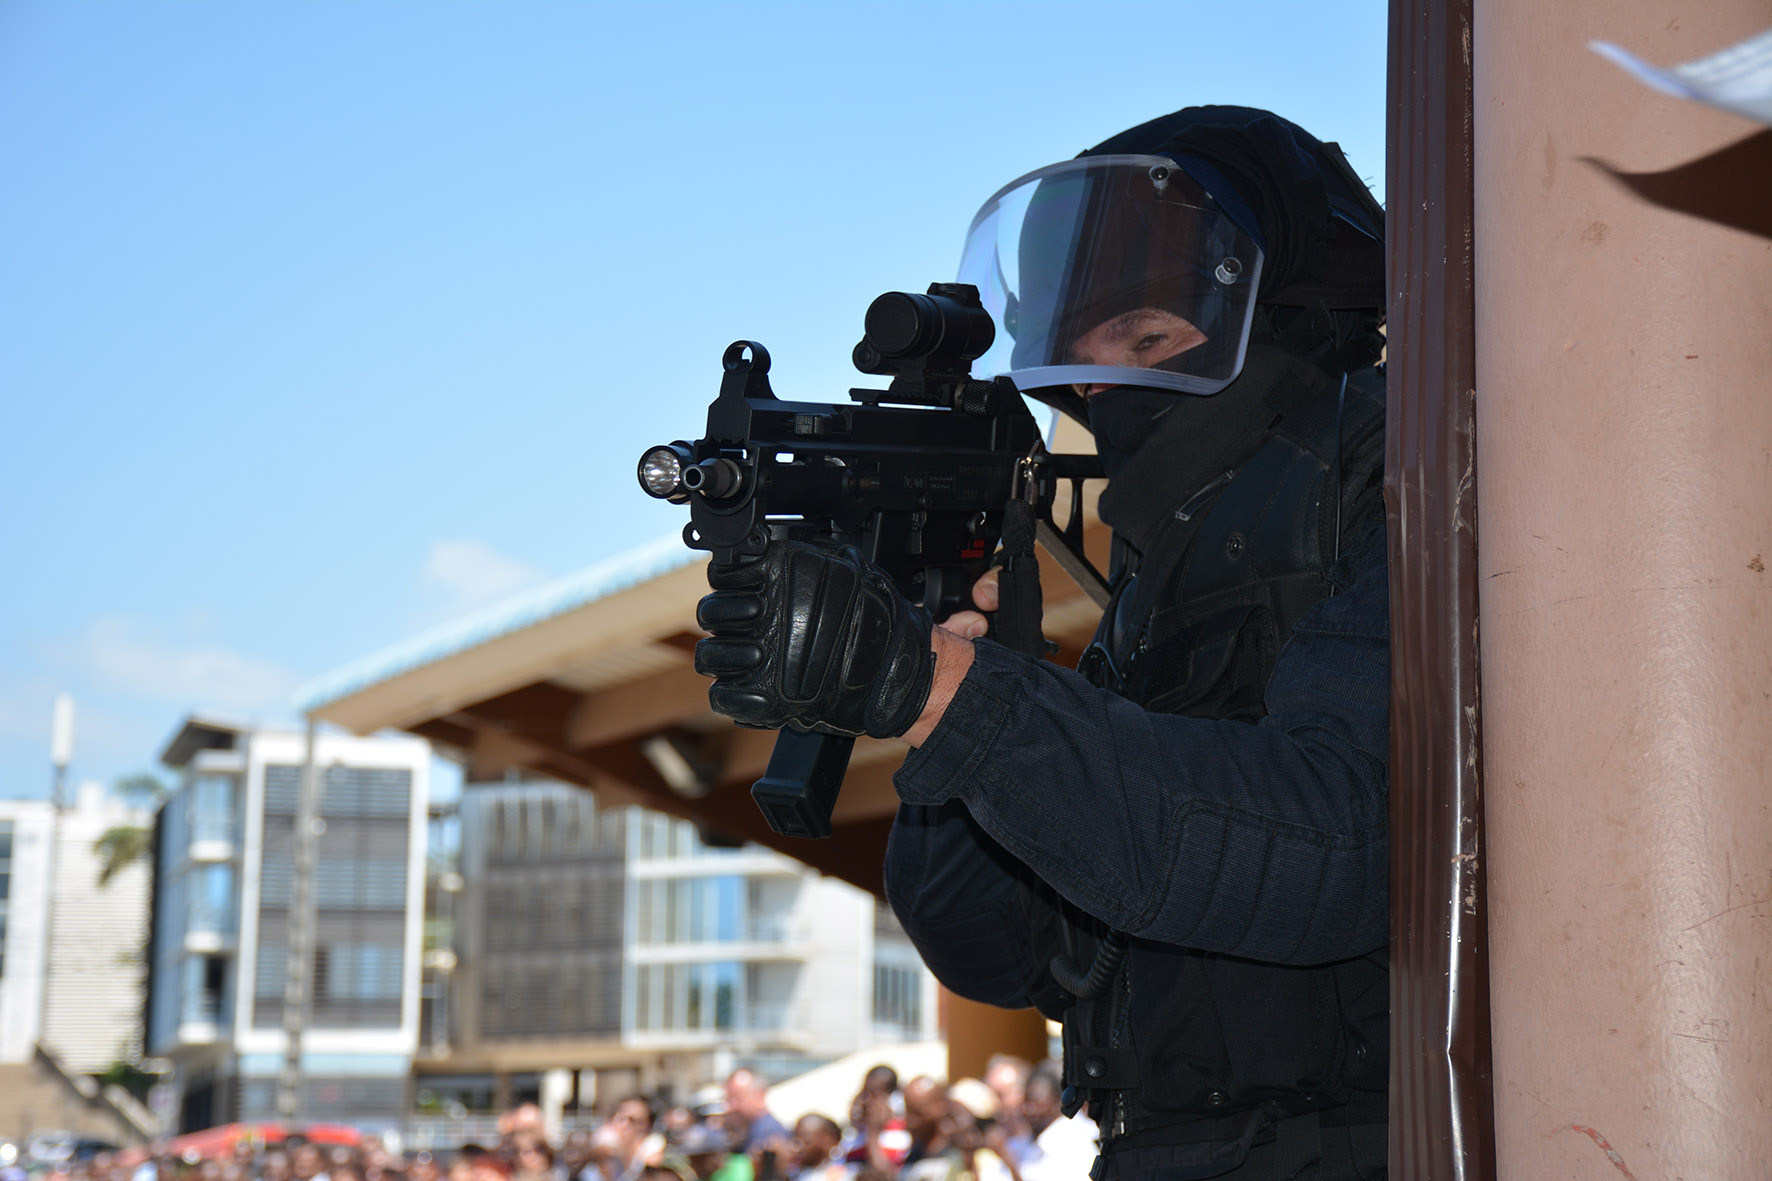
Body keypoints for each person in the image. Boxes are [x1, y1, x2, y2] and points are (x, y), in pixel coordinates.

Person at [693, 104, 1390, 1179]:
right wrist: (964, 675)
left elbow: (1339, 845)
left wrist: (940, 690)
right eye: (1081, 349)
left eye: (1149, 339)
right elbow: (993, 947)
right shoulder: (1158, 566)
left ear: (1293, 316)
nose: (1101, 385)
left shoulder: (1398, 477)